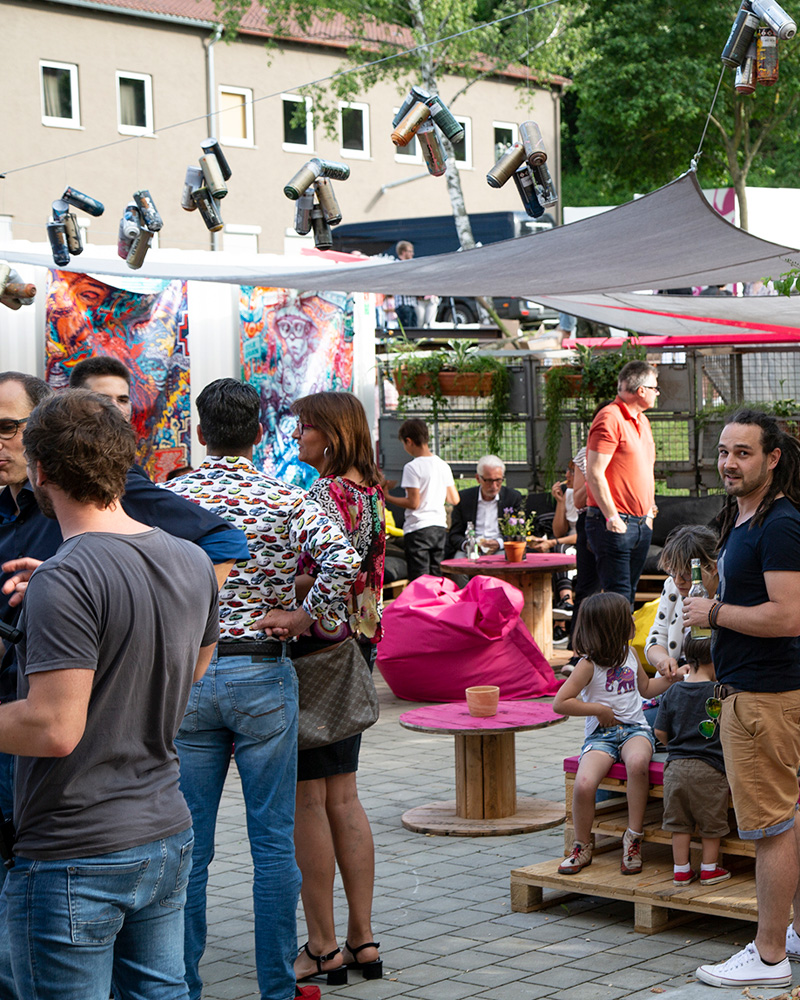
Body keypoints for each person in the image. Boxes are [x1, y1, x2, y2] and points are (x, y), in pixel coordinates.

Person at [0, 389, 219, 1000]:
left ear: (40, 470)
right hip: (164, 836)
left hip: (76, 851)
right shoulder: (189, 559)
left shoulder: (67, 577)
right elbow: (194, 668)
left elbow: (53, 727)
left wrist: (69, 592)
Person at [164, 378, 361, 1000]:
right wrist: (310, 616)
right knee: (272, 843)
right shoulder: (286, 496)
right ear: (257, 434)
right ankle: (277, 988)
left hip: (191, 677)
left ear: (200, 434)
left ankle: (183, 985)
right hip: (264, 674)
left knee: (190, 847)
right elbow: (344, 561)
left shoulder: (171, 497)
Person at [0, 370, 248, 822]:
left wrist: (143, 597)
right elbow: (193, 666)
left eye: (8, 427)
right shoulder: (176, 563)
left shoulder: (78, 568)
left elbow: (55, 727)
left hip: (79, 812)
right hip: (153, 817)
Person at [684, 410, 800, 990]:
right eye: (725, 451)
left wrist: (715, 614)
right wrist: (716, 589)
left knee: (772, 827)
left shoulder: (779, 524)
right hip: (758, 696)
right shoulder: (742, 518)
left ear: (772, 458)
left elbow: (788, 615)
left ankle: (770, 955)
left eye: (744, 453)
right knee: (788, 820)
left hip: (765, 699)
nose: (729, 462)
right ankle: (790, 934)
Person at [289, 392, 385, 986]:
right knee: (343, 795)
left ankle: (322, 946)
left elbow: (329, 568)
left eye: (306, 427)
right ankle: (362, 939)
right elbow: (367, 572)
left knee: (309, 799)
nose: (298, 436)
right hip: (359, 646)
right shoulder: (371, 493)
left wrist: (291, 590)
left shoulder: (324, 496)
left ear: (330, 435)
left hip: (317, 652)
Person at [552, 592, 675, 876]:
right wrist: (597, 709)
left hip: (635, 729)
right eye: (628, 618)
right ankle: (582, 846)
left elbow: (645, 690)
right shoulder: (588, 665)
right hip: (601, 736)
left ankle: (633, 838)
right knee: (584, 783)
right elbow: (561, 702)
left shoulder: (629, 655)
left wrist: (670, 680)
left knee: (637, 764)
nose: (633, 620)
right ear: (612, 627)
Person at [653, 632, 731, 888]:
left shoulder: (674, 690)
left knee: (679, 823)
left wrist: (675, 746)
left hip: (675, 768)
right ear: (716, 659)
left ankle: (681, 870)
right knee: (711, 823)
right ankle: (709, 869)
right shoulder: (720, 693)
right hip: (711, 769)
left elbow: (659, 732)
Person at [585, 361, 660, 605]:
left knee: (628, 592)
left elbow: (645, 469)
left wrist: (648, 512)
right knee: (618, 596)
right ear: (641, 391)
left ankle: (622, 644)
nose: (657, 393)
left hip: (639, 523)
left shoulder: (642, 421)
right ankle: (617, 644)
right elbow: (595, 472)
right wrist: (612, 518)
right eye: (655, 388)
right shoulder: (610, 418)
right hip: (615, 523)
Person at [383, 418, 459, 580]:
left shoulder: (412, 467)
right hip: (439, 527)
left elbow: (413, 503)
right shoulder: (442, 465)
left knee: (420, 579)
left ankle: (422, 605)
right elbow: (454, 498)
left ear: (409, 441)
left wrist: (388, 497)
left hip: (418, 529)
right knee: (437, 576)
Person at [644, 524, 719, 679]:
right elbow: (657, 636)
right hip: (676, 677)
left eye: (687, 574)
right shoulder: (671, 586)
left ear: (713, 567)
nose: (678, 581)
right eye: (672, 572)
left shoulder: (728, 593)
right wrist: (664, 661)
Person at [445, 455, 521, 558]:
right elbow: (455, 534)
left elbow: (519, 532)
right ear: (478, 478)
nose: (494, 486)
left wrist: (499, 543)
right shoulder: (464, 498)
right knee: (459, 563)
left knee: (504, 561)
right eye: (489, 481)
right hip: (470, 549)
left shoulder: (512, 498)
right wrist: (469, 545)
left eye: (498, 480)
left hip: (501, 549)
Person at [393, 241, 419, 331]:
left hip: (412, 303)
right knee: (406, 333)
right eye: (410, 251)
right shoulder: (397, 265)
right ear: (403, 252)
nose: (412, 254)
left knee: (414, 331)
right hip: (403, 304)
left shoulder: (410, 265)